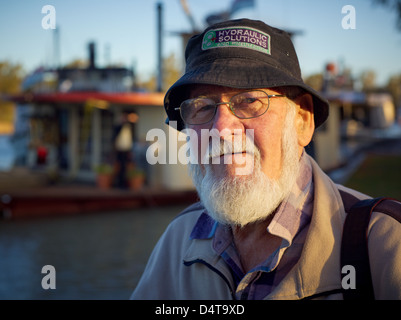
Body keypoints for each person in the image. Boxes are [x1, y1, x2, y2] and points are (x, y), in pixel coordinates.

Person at [131, 19, 401, 300]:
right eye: (201, 107)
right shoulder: (177, 241)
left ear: (302, 121)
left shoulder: (385, 245)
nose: (221, 129)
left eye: (249, 101)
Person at [113, 112, 134, 189]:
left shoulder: (128, 127)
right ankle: (120, 183)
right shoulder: (119, 127)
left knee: (126, 167)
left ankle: (124, 183)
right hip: (120, 149)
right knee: (120, 167)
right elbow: (115, 135)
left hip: (126, 149)